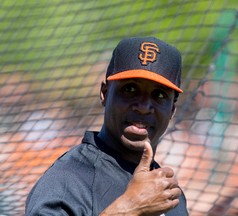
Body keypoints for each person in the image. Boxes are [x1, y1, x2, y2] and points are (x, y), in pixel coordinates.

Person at [25, 36, 188, 215]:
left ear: (172, 109)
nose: (143, 107)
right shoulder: (67, 180)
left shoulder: (169, 194)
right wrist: (130, 208)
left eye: (159, 95)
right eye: (130, 89)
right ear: (104, 93)